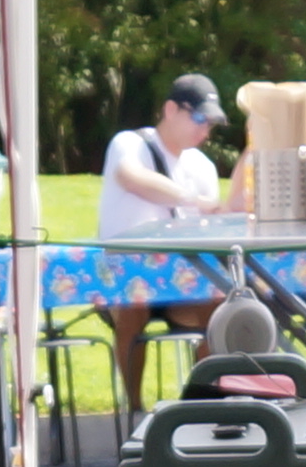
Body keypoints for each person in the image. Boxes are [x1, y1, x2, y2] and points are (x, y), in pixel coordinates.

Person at [98, 75, 231, 413]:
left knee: (220, 307)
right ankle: (135, 410)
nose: (205, 130)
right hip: (125, 276)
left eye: (210, 123)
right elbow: (131, 177)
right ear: (171, 110)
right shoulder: (130, 143)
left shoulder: (202, 166)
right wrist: (192, 200)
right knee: (134, 302)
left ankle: (200, 405)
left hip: (181, 279)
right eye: (199, 118)